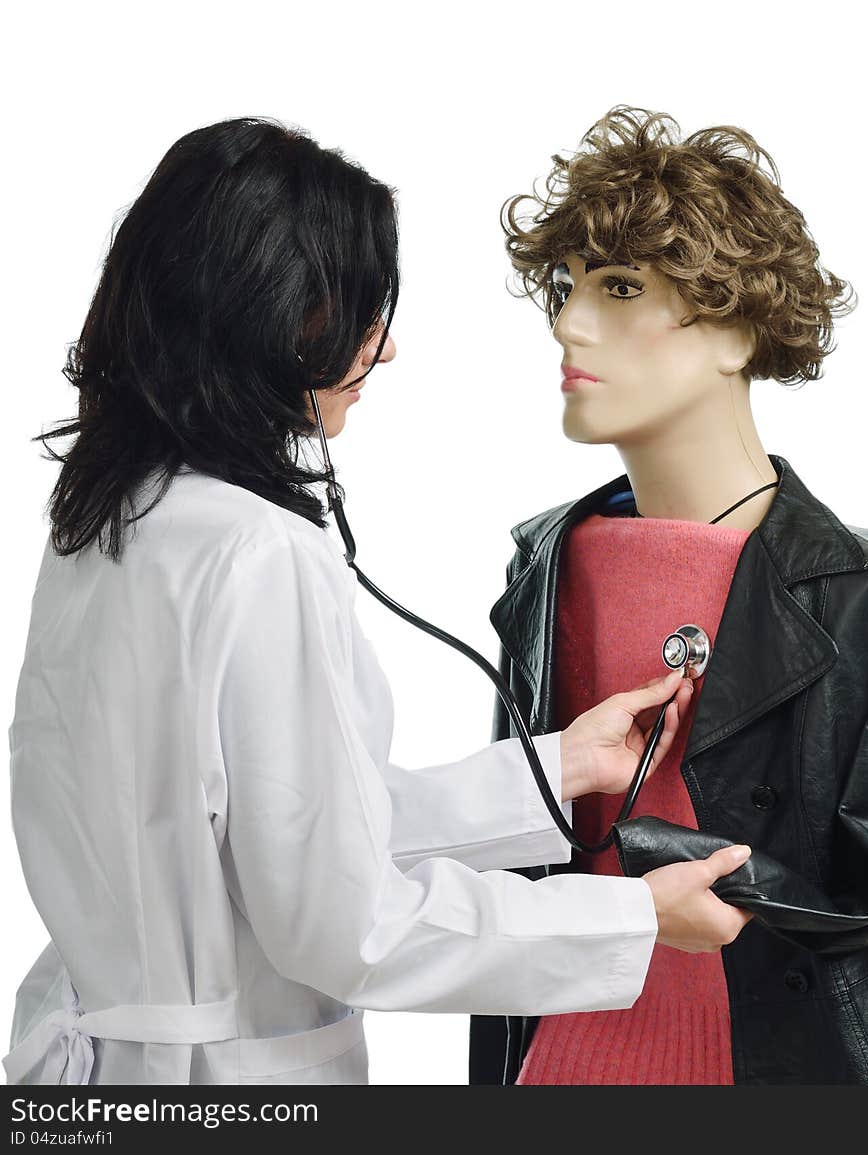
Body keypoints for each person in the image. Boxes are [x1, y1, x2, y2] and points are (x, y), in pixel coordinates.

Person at [4, 117, 753, 1087]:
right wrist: (637, 918)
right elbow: (345, 924)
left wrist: (558, 767)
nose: (385, 348)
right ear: (280, 314)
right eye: (361, 312)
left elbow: (278, 826)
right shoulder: (258, 549)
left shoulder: (107, 515)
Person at [469, 105, 868, 1086]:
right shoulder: (544, 565)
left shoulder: (859, 596)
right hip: (555, 1064)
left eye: (618, 289)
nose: (569, 322)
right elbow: (505, 854)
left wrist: (698, 869)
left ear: (735, 327)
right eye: (565, 289)